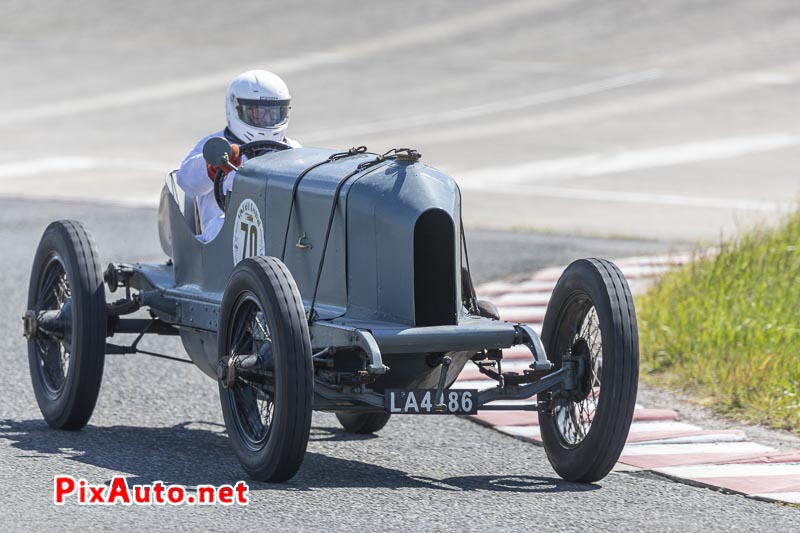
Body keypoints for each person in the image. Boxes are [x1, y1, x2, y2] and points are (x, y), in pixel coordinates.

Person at [177, 70, 301, 242]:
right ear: (236, 109)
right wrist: (214, 167)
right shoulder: (216, 145)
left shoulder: (294, 149)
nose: (267, 120)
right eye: (259, 113)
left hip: (279, 232)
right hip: (222, 237)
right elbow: (186, 182)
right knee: (225, 224)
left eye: (273, 113)